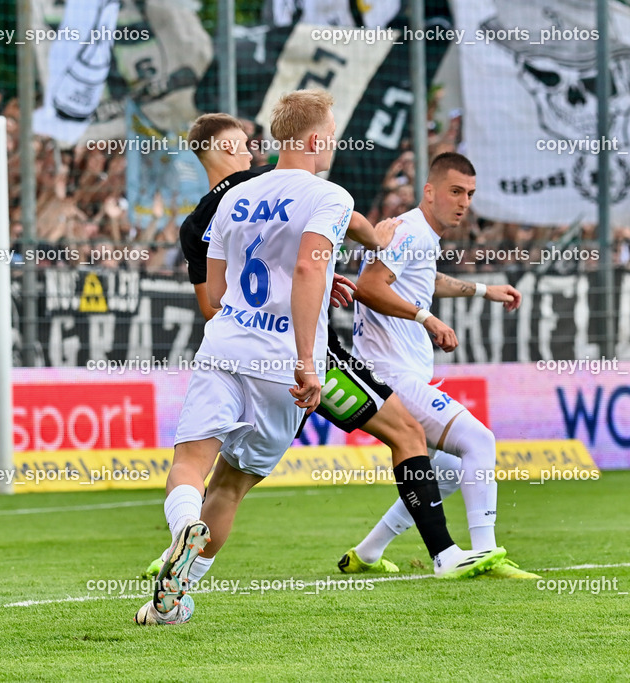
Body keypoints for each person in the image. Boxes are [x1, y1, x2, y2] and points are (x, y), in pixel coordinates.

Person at [142, 111, 504, 583]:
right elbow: (322, 250)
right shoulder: (287, 183)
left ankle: (180, 544)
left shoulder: (203, 220)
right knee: (406, 434)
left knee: (197, 467)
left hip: (229, 346)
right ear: (228, 149)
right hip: (303, 360)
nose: (251, 151)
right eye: (244, 144)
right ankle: (445, 553)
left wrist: (295, 286)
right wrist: (370, 243)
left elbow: (214, 300)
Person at [345, 152, 536, 579]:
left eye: (470, 194)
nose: (464, 202)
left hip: (395, 371)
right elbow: (369, 288)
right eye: (455, 191)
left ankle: (368, 553)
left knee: (445, 472)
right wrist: (426, 318)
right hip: (389, 373)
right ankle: (486, 553)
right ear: (429, 191)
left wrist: (484, 290)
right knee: (479, 441)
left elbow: (423, 280)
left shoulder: (421, 235)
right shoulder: (410, 230)